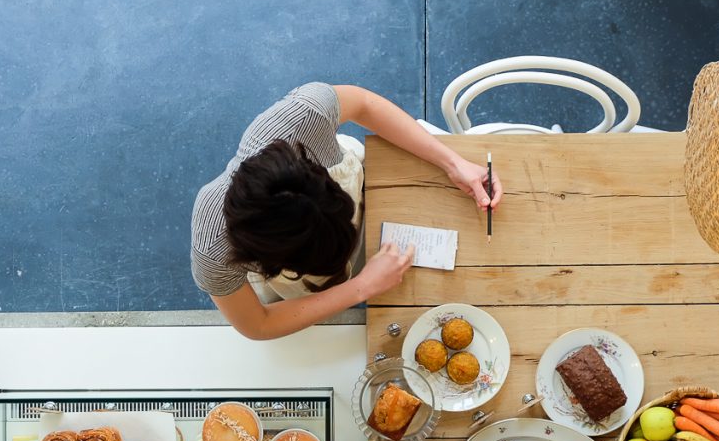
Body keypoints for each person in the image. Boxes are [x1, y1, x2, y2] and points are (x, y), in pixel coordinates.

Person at [190, 82, 501, 340]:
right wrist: (360, 288)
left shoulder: (303, 116)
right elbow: (258, 324)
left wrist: (453, 163)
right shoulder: (213, 252)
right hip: (297, 284)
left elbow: (364, 104)